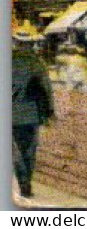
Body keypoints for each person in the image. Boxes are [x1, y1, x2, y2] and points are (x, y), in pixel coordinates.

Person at [12, 34, 55, 199]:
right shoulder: (36, 63)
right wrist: (49, 112)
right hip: (31, 115)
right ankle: (26, 184)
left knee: (15, 151)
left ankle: (23, 183)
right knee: (29, 151)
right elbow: (46, 89)